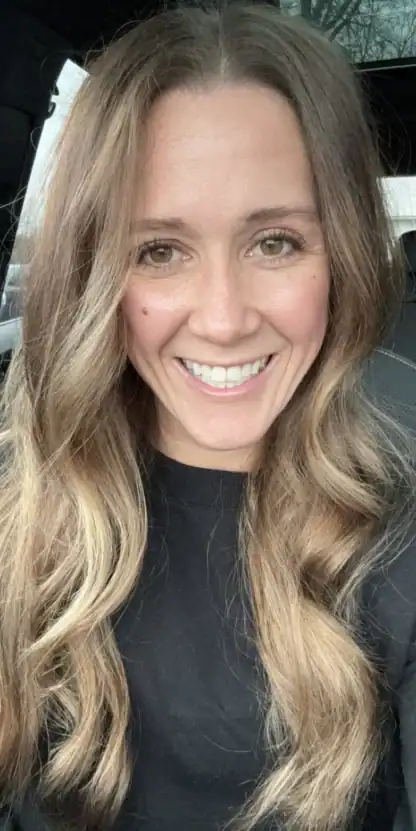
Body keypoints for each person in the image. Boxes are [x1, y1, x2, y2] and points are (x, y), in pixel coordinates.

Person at [0, 3, 414, 830]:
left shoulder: (396, 536)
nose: (223, 319)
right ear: (95, 273)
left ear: (343, 253)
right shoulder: (19, 494)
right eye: (159, 251)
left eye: (275, 242)